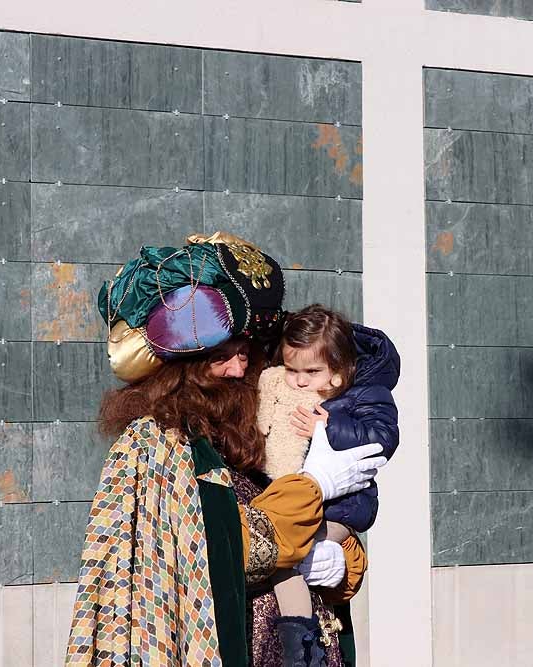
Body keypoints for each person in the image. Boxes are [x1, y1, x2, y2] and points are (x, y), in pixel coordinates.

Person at [65, 234, 387, 667]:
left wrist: (342, 563)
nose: (238, 369)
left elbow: (331, 524)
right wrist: (316, 484)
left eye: (244, 354)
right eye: (221, 356)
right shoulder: (159, 445)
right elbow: (228, 548)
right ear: (182, 365)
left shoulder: (258, 422)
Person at [255, 305, 400, 652]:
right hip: (299, 503)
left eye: (312, 371)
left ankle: (305, 649)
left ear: (340, 367)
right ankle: (299, 641)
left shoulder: (363, 393)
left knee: (288, 556)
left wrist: (329, 427)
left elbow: (383, 438)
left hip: (339, 510)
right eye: (292, 370)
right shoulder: (289, 390)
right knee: (286, 559)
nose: (301, 380)